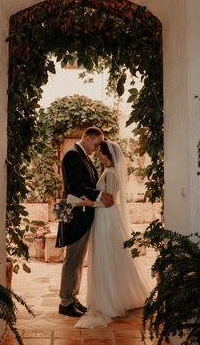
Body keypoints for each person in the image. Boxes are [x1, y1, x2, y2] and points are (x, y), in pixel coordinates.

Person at [74, 140, 154, 328]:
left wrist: (87, 203)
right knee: (109, 257)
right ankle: (114, 294)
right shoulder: (109, 171)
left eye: (100, 152)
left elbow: (108, 201)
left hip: (107, 219)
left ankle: (110, 299)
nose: (97, 154)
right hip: (105, 218)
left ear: (107, 155)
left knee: (107, 257)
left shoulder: (110, 173)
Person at [56, 127, 115, 317]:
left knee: (78, 259)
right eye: (96, 144)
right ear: (88, 138)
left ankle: (72, 297)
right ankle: (65, 302)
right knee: (72, 259)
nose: (96, 149)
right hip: (76, 215)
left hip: (83, 214)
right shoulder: (73, 155)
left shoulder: (83, 156)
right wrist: (100, 195)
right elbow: (76, 187)